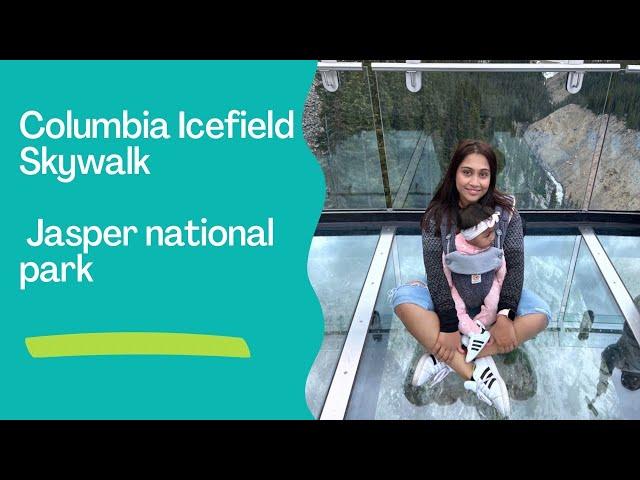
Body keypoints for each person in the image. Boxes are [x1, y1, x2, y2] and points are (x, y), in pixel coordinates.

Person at [389, 139, 552, 417]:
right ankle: (476, 372)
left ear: (492, 177)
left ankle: (445, 354)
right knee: (403, 301)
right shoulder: (436, 216)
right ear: (454, 173)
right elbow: (436, 272)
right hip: (451, 288)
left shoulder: (507, 214)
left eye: (483, 174)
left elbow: (514, 266)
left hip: (494, 287)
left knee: (541, 315)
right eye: (467, 172)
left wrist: (504, 316)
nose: (474, 182)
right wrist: (450, 326)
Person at [443, 203, 507, 362]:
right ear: (470, 236)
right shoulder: (454, 247)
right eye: (487, 235)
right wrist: (449, 284)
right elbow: (445, 265)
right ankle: (472, 332)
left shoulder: (493, 248)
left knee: (494, 306)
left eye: (493, 233)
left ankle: (478, 325)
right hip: (459, 288)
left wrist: (500, 281)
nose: (492, 237)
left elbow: (501, 264)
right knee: (456, 310)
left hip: (488, 285)